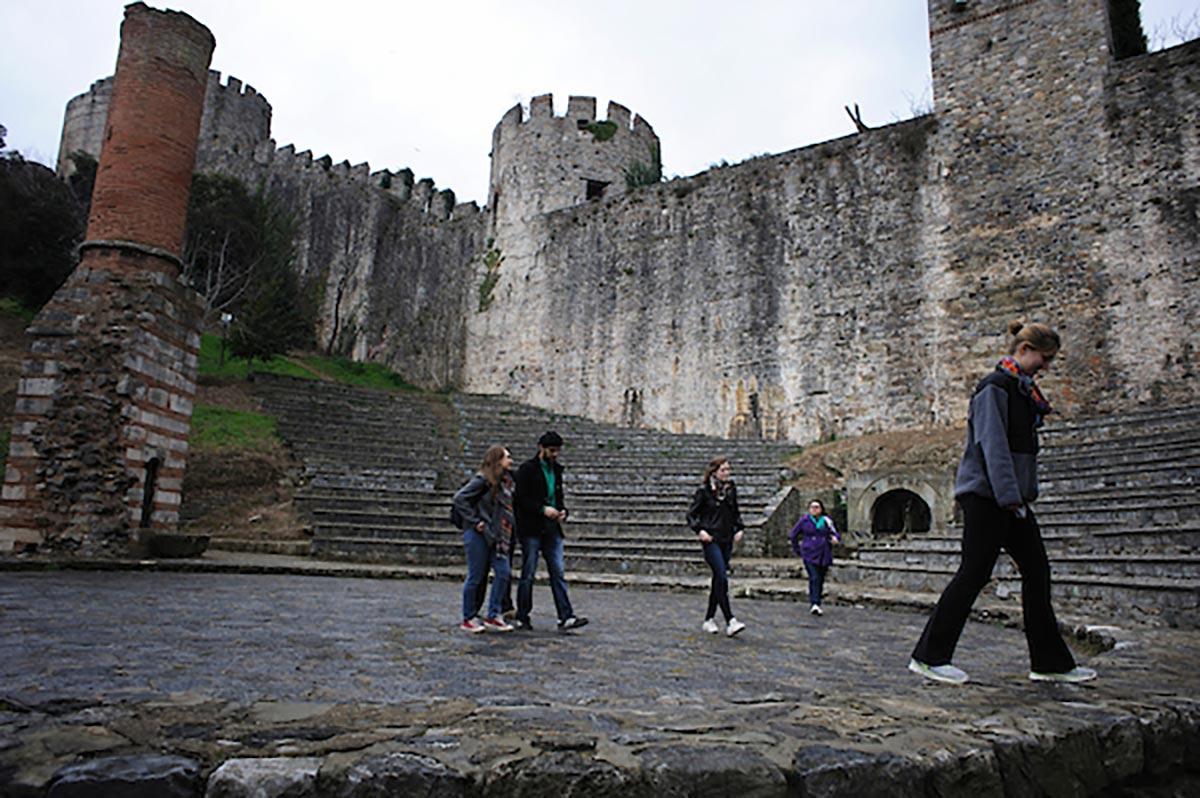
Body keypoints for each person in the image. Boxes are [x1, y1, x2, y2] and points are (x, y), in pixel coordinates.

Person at [909, 320, 1097, 685]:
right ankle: (929, 656)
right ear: (1024, 350)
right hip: (987, 496)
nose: (1047, 367)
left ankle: (1049, 662)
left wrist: (1018, 495)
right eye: (1044, 358)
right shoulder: (994, 388)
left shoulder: (1021, 391)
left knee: (1037, 570)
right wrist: (1010, 496)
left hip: (1008, 497)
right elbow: (992, 445)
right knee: (974, 573)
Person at [513, 431, 588, 631]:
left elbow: (558, 497)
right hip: (531, 529)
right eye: (552, 450)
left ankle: (565, 615)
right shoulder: (527, 469)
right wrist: (541, 509)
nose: (555, 454)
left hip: (552, 528)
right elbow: (520, 499)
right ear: (541, 448)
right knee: (528, 573)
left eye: (558, 451)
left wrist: (563, 511)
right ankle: (522, 615)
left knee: (558, 572)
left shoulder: (557, 471)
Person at [453, 445, 516, 634]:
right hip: (478, 534)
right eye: (507, 457)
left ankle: (494, 614)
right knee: (475, 576)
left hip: (497, 535)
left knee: (503, 572)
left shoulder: (505, 482)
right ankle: (468, 617)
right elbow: (459, 499)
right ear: (498, 460)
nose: (511, 461)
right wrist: (475, 522)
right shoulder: (482, 480)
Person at [687, 457, 747, 637]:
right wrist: (700, 530)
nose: (727, 473)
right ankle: (730, 620)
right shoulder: (704, 491)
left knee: (718, 580)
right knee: (721, 575)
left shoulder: (730, 490)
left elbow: (735, 511)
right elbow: (691, 515)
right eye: (723, 470)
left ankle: (709, 619)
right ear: (714, 472)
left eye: (729, 470)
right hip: (710, 539)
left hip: (726, 538)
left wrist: (739, 528)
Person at [789, 498, 840, 616]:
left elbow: (834, 533)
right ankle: (814, 603)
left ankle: (818, 600)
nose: (814, 509)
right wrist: (798, 549)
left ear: (821, 509)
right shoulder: (804, 521)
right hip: (809, 553)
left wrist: (835, 538)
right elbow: (793, 535)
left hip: (824, 553)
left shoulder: (826, 521)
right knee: (814, 577)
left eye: (817, 507)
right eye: (812, 507)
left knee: (821, 578)